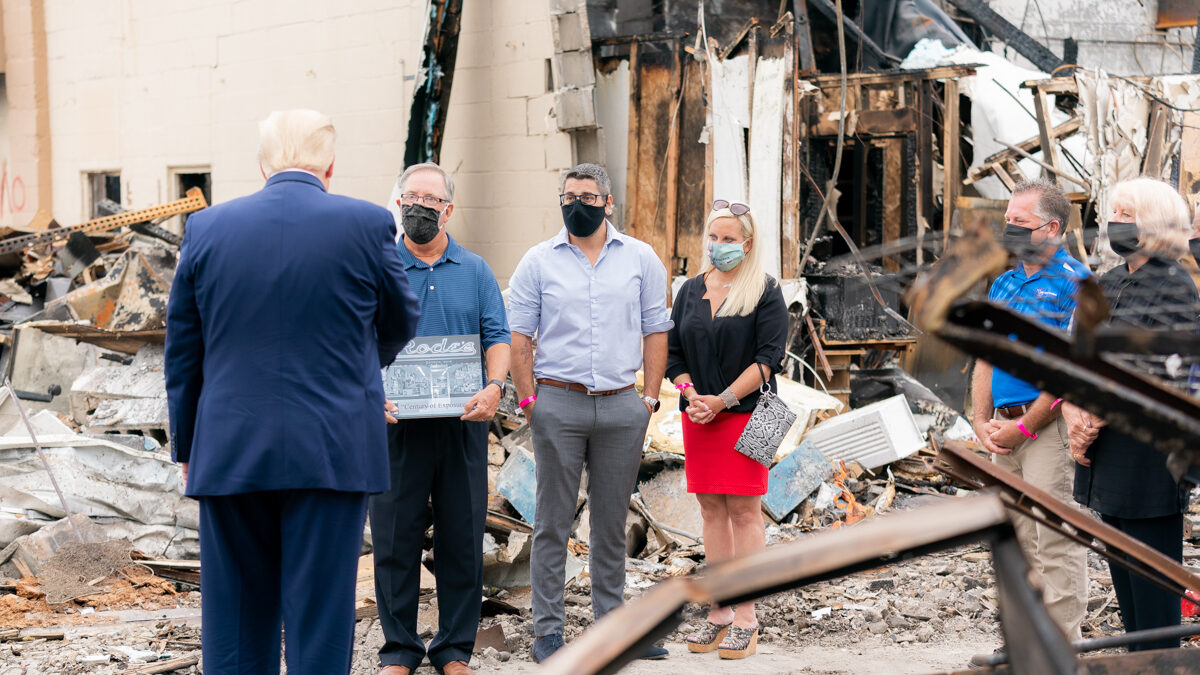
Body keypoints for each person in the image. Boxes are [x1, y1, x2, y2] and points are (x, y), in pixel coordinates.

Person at [165, 109, 420, 674]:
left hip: (231, 447)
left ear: (261, 165)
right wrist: (358, 371)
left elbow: (183, 351)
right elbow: (403, 318)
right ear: (330, 166)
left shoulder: (207, 228)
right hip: (333, 445)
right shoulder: (367, 223)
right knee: (321, 613)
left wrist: (187, 447)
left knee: (232, 614)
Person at [507, 163, 673, 663]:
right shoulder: (537, 262)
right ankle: (548, 634)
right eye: (569, 195)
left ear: (608, 202)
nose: (578, 203)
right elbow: (520, 338)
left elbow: (655, 330)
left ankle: (611, 630)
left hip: (623, 405)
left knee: (609, 523)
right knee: (553, 522)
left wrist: (648, 398)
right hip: (557, 401)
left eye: (588, 195)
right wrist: (531, 401)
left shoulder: (641, 259)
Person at [370, 163, 511, 675]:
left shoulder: (474, 271)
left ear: (448, 209)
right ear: (398, 202)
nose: (419, 208)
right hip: (395, 426)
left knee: (461, 537)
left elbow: (498, 336)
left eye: (431, 201)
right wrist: (367, 394)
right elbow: (359, 338)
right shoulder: (380, 268)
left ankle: (454, 649)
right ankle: (399, 651)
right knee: (393, 539)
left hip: (463, 424)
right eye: (411, 198)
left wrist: (495, 386)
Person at [1063, 177, 1199, 651]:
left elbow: (1167, 372)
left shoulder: (1175, 285)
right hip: (1104, 448)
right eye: (1112, 213)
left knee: (1153, 577)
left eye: (1126, 215)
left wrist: (1096, 414)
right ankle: (1137, 660)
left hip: (1150, 453)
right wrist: (1077, 415)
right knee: (1123, 571)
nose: (1113, 222)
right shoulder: (1109, 280)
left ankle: (1160, 662)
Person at [665, 200, 787, 660]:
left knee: (745, 513)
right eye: (713, 237)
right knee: (712, 512)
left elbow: (768, 360)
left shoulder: (765, 290)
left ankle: (747, 618)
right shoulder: (690, 290)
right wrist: (691, 392)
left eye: (729, 239)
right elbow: (674, 353)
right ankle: (719, 611)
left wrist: (722, 400)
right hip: (699, 417)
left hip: (751, 415)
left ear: (748, 243)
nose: (719, 246)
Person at [969, 178, 1089, 639]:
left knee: (1054, 539)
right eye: (1007, 221)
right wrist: (983, 421)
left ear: (1052, 228)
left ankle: (1062, 647)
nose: (1010, 230)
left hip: (1047, 431)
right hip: (1003, 430)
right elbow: (985, 356)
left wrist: (1025, 426)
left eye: (1020, 223)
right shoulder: (1004, 282)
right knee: (1016, 540)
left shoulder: (1075, 284)